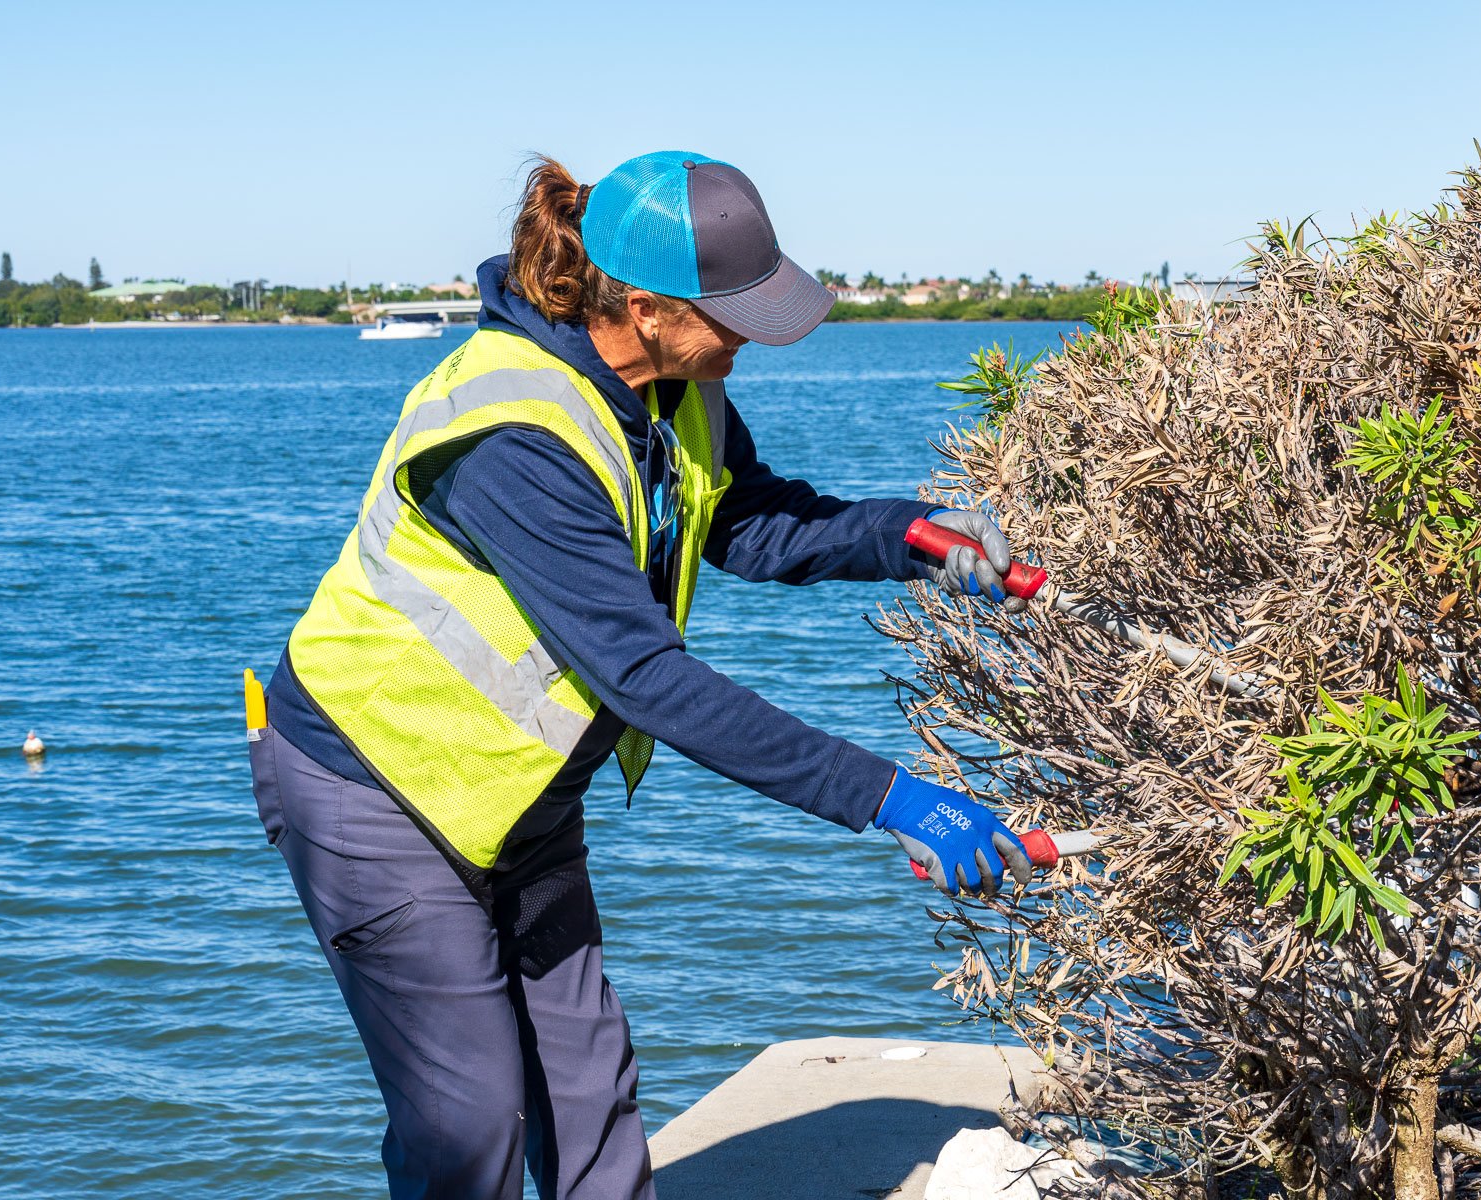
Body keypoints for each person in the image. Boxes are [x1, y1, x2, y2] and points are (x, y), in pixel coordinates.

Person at [247, 149, 1033, 1200]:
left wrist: (916, 538)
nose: (753, 335)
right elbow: (647, 680)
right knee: (466, 1124)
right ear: (649, 307)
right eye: (734, 314)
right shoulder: (513, 434)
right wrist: (892, 799)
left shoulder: (676, 390)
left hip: (515, 798)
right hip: (372, 789)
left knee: (587, 1097)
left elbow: (751, 524)